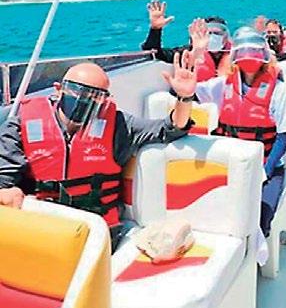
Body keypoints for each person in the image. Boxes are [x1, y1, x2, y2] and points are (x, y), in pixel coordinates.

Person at [0, 57, 196, 250]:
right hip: (43, 226)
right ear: (59, 89)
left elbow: (169, 129)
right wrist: (10, 192)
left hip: (96, 231)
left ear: (105, 99)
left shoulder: (119, 126)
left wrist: (185, 98)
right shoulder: (19, 126)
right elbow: (4, 181)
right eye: (77, 90)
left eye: (96, 96)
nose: (85, 99)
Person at [194, 28, 286, 237]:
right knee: (219, 214)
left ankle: (259, 250)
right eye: (243, 52)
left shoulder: (278, 89)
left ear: (263, 56)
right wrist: (195, 58)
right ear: (235, 57)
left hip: (266, 166)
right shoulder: (223, 85)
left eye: (254, 52)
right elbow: (189, 93)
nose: (249, 57)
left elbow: (284, 136)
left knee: (261, 216)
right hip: (230, 164)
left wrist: (265, 171)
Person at [140, 0, 231, 81]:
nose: (212, 37)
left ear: (226, 36)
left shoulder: (235, 54)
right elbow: (153, 53)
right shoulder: (187, 52)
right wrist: (155, 29)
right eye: (208, 33)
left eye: (217, 33)